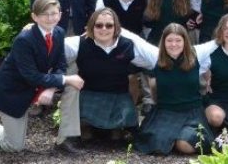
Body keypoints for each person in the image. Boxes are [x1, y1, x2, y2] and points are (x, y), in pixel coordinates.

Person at [0, 0, 85, 153]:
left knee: (72, 87)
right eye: (45, 14)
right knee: (14, 147)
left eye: (54, 13)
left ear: (60, 14)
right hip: (14, 91)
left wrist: (51, 88)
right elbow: (31, 76)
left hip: (39, 85)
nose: (50, 18)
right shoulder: (24, 40)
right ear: (34, 16)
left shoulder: (58, 32)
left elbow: (61, 64)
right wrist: (65, 79)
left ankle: (65, 139)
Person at [63, 8, 157, 141]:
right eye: (99, 25)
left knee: (115, 139)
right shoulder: (79, 43)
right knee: (87, 136)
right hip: (89, 96)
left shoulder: (128, 45)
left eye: (109, 25)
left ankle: (117, 127)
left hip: (118, 97)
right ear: (91, 26)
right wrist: (36, 30)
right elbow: (52, 47)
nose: (104, 29)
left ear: (116, 27)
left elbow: (153, 61)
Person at [135, 23, 214, 155]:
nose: (174, 44)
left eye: (178, 40)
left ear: (185, 41)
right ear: (163, 42)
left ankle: (178, 138)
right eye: (169, 40)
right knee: (158, 145)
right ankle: (172, 137)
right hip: (166, 112)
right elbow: (135, 41)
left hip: (192, 113)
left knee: (185, 144)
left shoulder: (196, 58)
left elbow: (218, 44)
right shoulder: (156, 60)